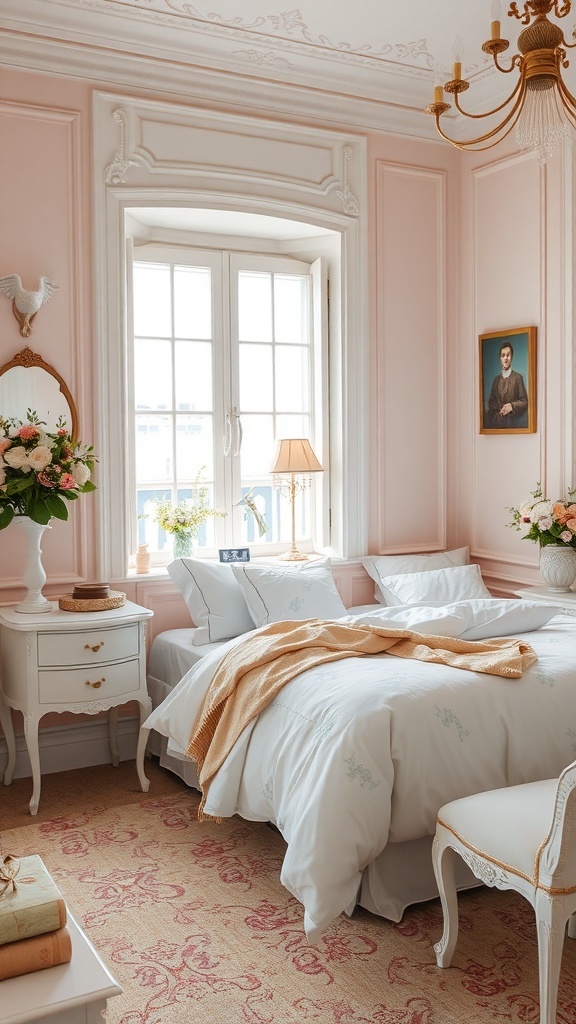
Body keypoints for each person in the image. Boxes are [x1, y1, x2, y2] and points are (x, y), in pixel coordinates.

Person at [486, 341, 528, 429]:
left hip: (513, 425)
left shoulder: (518, 378)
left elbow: (524, 402)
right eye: (503, 355)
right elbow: (490, 403)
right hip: (496, 426)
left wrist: (511, 406)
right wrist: (500, 408)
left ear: (511, 357)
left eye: (508, 355)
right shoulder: (496, 380)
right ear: (500, 358)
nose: (505, 358)